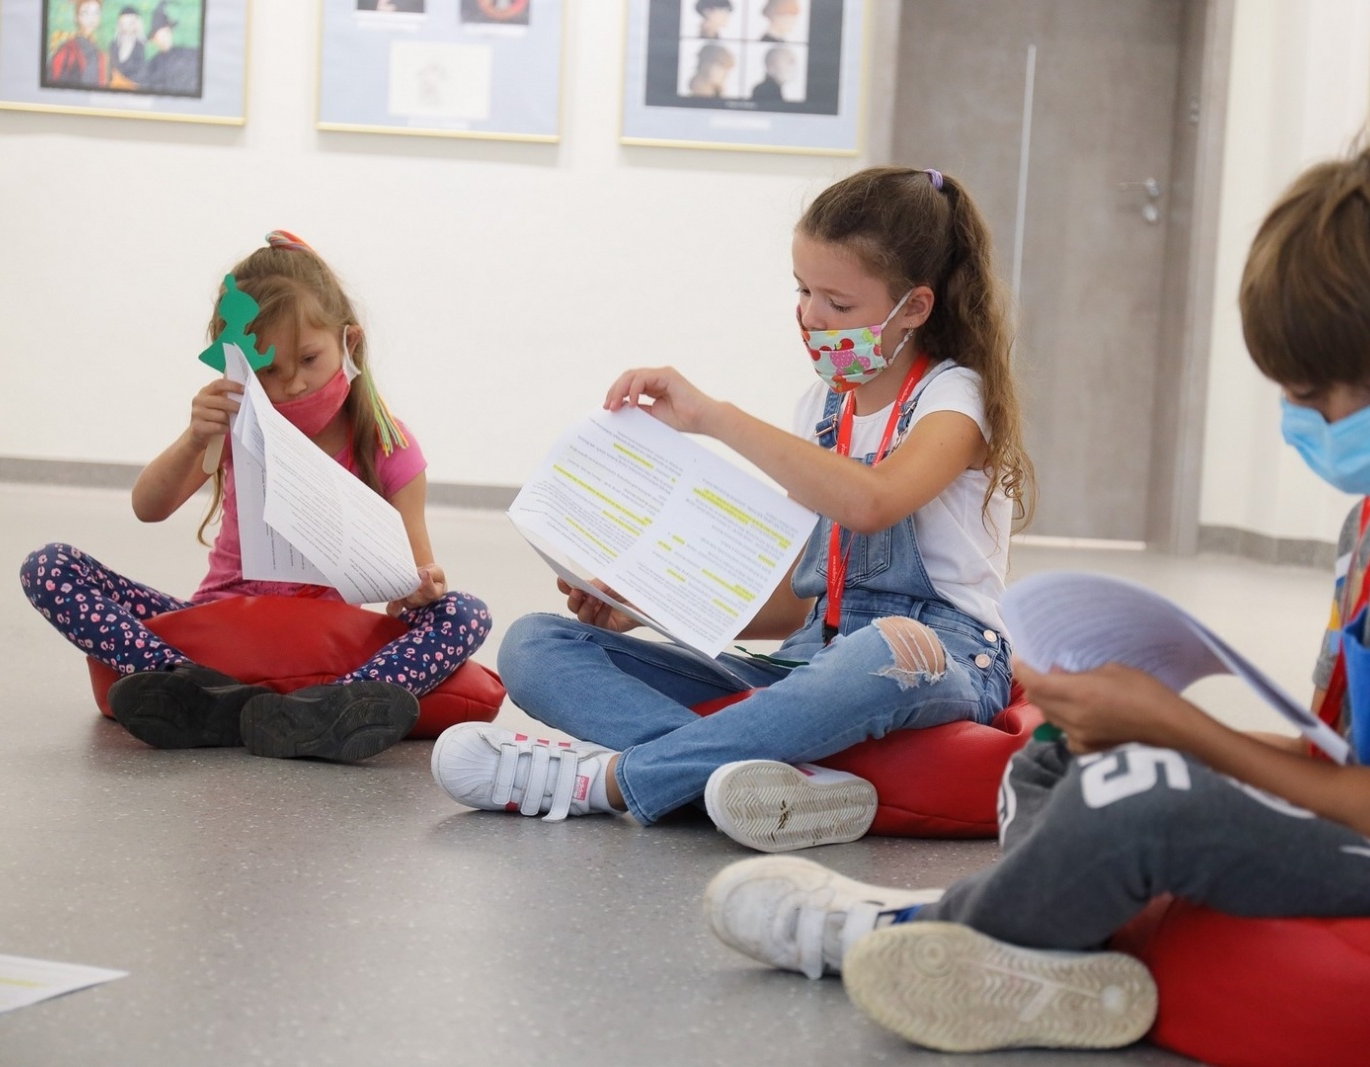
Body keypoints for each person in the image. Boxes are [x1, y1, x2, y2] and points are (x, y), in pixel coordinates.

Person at [700, 143, 1370, 1053]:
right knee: (1057, 758)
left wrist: (1181, 726)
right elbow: (1353, 762)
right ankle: (1052, 948)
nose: (1343, 422)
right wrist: (1149, 726)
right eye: (1310, 396)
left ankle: (910, 931)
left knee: (1142, 802)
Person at [432, 167, 1032, 853]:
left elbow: (874, 502)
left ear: (915, 308)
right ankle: (769, 778)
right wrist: (642, 607)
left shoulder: (956, 398)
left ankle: (610, 781)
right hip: (814, 656)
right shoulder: (823, 410)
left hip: (941, 655)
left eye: (837, 302)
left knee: (884, 647)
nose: (810, 317)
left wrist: (714, 418)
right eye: (803, 291)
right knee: (534, 644)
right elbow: (795, 602)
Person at [21, 231, 491, 763]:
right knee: (50, 566)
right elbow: (147, 508)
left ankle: (336, 706)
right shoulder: (231, 423)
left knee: (464, 612)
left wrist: (421, 586)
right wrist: (196, 436)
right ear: (238, 364)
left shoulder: (387, 441)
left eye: (310, 360)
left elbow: (418, 574)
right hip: (220, 624)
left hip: (325, 635)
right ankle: (190, 685)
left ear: (349, 343)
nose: (292, 386)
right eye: (268, 370)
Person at [47, 0, 109, 89]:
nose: (92, 18)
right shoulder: (69, 49)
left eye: (96, 13)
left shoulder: (99, 51)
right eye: (86, 13)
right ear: (77, 17)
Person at [140, 3, 200, 96]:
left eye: (166, 33)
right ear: (154, 40)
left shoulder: (188, 53)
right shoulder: (153, 65)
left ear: (171, 32)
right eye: (159, 36)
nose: (164, 38)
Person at [107, 5, 145, 87]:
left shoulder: (141, 47)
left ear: (137, 24)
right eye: (123, 23)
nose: (126, 27)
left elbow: (141, 76)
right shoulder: (113, 45)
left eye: (130, 23)